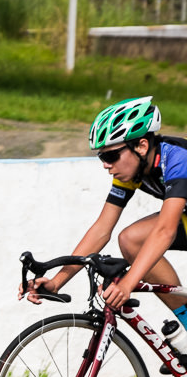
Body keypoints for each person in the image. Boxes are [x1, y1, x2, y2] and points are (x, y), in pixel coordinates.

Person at [22, 96, 187, 330]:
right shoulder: (133, 171)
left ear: (141, 146)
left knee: (148, 236)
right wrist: (58, 282)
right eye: (102, 156)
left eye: (111, 156)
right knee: (130, 239)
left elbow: (165, 231)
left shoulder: (178, 159)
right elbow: (101, 230)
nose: (105, 165)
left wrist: (128, 283)